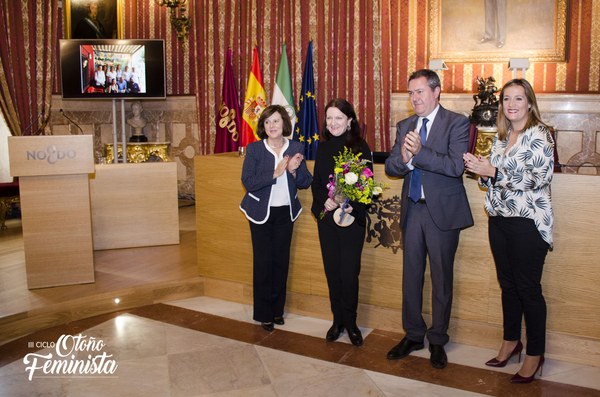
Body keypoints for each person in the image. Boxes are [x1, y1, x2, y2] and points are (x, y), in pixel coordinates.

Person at [463, 78, 554, 384]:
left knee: (528, 288)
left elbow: (539, 178)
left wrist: (495, 172)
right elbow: (491, 179)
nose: (511, 104)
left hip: (527, 222)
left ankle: (535, 353)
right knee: (508, 285)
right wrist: (481, 170)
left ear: (529, 103)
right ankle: (511, 341)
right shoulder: (502, 137)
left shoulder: (540, 134)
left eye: (518, 98)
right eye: (506, 99)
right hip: (499, 219)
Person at [384, 69, 473, 369]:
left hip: (442, 214)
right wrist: (406, 159)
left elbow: (454, 167)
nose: (414, 98)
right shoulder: (405, 125)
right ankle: (412, 334)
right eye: (410, 93)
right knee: (410, 276)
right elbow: (393, 167)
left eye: (420, 91)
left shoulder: (457, 123)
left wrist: (420, 153)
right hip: (413, 210)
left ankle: (437, 339)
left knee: (441, 278)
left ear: (436, 92)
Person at [240, 105, 312, 332]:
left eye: (276, 121)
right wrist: (275, 173)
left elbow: (305, 182)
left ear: (284, 125)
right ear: (263, 126)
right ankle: (264, 314)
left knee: (281, 262)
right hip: (260, 213)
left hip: (285, 213)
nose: (272, 126)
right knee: (263, 263)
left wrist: (292, 170)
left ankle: (277, 311)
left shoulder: (296, 147)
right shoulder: (254, 150)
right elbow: (248, 181)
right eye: (268, 122)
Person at [310, 98, 373, 347]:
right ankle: (337, 321)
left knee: (349, 274)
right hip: (327, 222)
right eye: (329, 118)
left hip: (351, 221)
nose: (333, 123)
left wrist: (346, 198)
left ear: (350, 121)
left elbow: (366, 187)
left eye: (339, 118)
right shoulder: (323, 148)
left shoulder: (360, 147)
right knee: (332, 273)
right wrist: (323, 205)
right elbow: (317, 184)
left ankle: (351, 322)